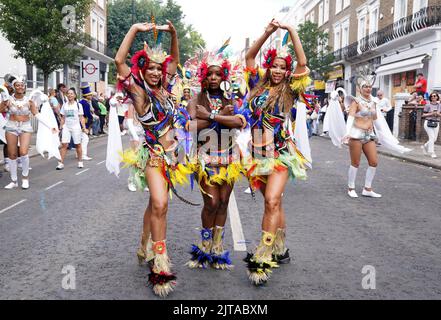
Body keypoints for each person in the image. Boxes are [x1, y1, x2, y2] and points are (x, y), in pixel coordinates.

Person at [115, 19, 190, 297]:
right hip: (153, 156)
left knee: (156, 204)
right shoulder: (138, 90)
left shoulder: (168, 91)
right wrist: (135, 29)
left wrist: (175, 34)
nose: (157, 72)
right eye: (152, 68)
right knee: (160, 203)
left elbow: (175, 62)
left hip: (173, 158)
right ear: (143, 69)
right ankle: (160, 262)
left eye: (160, 69)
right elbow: (119, 59)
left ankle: (144, 244)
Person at [242, 19, 312, 285]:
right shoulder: (256, 86)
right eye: (275, 65)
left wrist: (291, 31)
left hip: (281, 154)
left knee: (272, 200)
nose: (279, 70)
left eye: (284, 67)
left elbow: (303, 65)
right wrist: (267, 32)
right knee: (273, 203)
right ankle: (281, 247)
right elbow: (250, 56)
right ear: (269, 66)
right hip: (257, 156)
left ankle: (264, 253)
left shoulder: (291, 90)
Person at [185, 51, 248, 271]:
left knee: (223, 202)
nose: (213, 78)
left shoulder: (230, 99)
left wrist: (212, 115)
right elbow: (190, 127)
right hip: (205, 158)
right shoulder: (195, 99)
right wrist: (222, 117)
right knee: (210, 203)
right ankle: (204, 245)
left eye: (218, 74)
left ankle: (218, 246)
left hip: (229, 157)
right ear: (204, 76)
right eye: (210, 74)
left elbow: (239, 123)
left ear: (224, 78)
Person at [0, 76, 58, 189]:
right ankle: (14, 180)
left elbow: (37, 115)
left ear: (24, 87)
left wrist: (50, 126)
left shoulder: (29, 101)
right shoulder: (8, 100)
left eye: (22, 85)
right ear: (13, 87)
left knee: (23, 152)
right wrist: (4, 102)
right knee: (12, 154)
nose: (20, 87)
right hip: (11, 127)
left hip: (25, 127)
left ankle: (25, 178)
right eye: (17, 85)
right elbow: (1, 110)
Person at [56, 88, 87, 170]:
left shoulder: (78, 105)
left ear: (75, 95)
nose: (70, 95)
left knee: (78, 144)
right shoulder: (64, 105)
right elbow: (63, 117)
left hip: (76, 127)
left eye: (71, 93)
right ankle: (61, 163)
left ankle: (80, 161)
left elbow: (81, 117)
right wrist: (60, 127)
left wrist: (84, 127)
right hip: (66, 127)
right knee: (64, 145)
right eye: (68, 93)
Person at [421, 92, 441, 158]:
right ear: (430, 98)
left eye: (435, 96)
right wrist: (431, 114)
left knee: (434, 139)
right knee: (432, 137)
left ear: (437, 97)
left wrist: (438, 114)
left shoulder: (439, 105)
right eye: (432, 96)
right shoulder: (428, 105)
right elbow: (423, 115)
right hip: (428, 122)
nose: (433, 97)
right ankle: (432, 152)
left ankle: (425, 146)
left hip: (436, 123)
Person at [79, 84, 94, 160]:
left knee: (80, 139)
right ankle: (83, 155)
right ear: (87, 95)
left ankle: (78, 154)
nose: (91, 96)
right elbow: (87, 114)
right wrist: (92, 117)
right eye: (90, 95)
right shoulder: (85, 103)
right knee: (85, 139)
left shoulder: (81, 102)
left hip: (80, 123)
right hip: (83, 123)